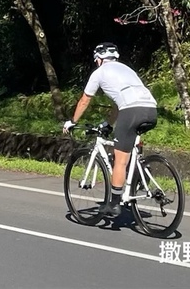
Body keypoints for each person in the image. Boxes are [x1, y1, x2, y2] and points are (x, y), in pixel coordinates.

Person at [63, 42, 158, 218]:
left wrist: (72, 121)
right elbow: (119, 105)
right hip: (151, 109)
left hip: (131, 112)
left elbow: (84, 100)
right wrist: (108, 123)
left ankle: (113, 204)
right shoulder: (127, 70)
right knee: (131, 143)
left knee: (119, 161)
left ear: (99, 59)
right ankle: (138, 175)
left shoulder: (99, 73)